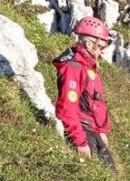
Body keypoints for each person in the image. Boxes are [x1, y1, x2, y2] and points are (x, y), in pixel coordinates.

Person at [53, 17, 117, 171]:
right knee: (92, 175)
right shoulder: (74, 68)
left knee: (111, 177)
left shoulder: (88, 67)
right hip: (82, 131)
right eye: (100, 47)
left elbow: (93, 104)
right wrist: (80, 142)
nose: (101, 52)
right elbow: (67, 108)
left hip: (92, 130)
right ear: (89, 44)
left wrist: (101, 131)